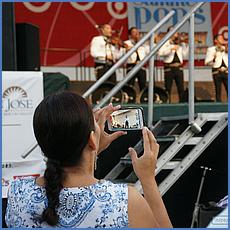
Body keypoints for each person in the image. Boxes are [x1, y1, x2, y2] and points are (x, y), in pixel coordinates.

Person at [5, 91, 172, 228]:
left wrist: (91, 150)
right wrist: (147, 179)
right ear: (92, 139)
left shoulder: (17, 194)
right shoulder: (125, 201)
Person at [158, 26, 189, 103]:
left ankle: (182, 103)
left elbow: (184, 55)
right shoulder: (165, 42)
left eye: (176, 31)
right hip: (169, 68)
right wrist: (170, 48)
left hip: (179, 67)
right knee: (168, 87)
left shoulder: (179, 43)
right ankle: (167, 103)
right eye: (173, 31)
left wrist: (185, 45)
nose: (176, 33)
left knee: (181, 87)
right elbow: (160, 53)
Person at [124, 27, 150, 92]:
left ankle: (143, 100)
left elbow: (149, 52)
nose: (136, 33)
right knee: (130, 85)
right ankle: (130, 100)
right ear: (130, 35)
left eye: (137, 32)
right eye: (134, 32)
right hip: (131, 66)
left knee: (143, 85)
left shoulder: (143, 43)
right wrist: (126, 50)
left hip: (141, 66)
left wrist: (147, 44)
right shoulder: (126, 43)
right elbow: (120, 55)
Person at [205, 34, 228, 102]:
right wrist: (213, 59)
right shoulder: (211, 49)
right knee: (218, 90)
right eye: (220, 38)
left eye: (222, 38)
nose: (222, 39)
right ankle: (218, 105)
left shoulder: (226, 48)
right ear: (216, 40)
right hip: (217, 71)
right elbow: (207, 62)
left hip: (226, 71)